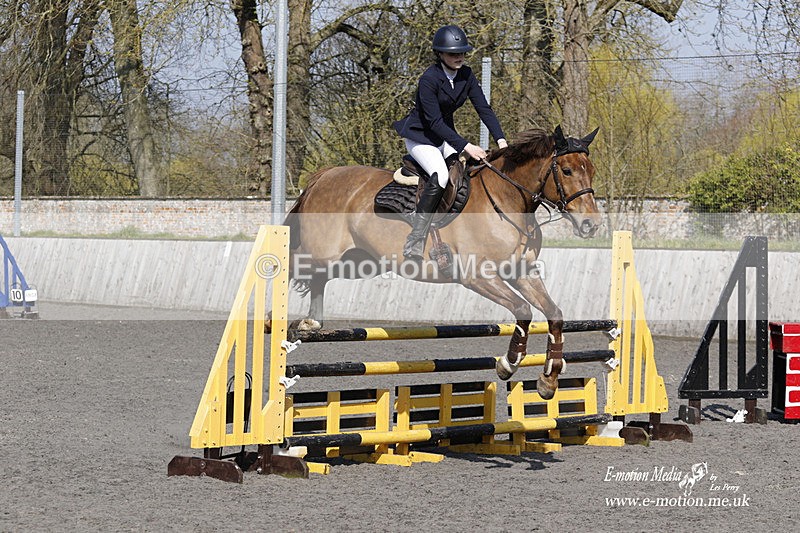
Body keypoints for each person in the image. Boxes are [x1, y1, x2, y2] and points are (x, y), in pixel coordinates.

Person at [393, 24, 508, 261]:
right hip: (421, 137)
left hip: (444, 136)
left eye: (462, 53)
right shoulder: (429, 79)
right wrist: (467, 146)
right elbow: (434, 122)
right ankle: (415, 239)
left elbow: (483, 109)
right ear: (440, 54)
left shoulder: (466, 75)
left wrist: (502, 140)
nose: (459, 57)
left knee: (465, 172)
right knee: (442, 175)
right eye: (453, 53)